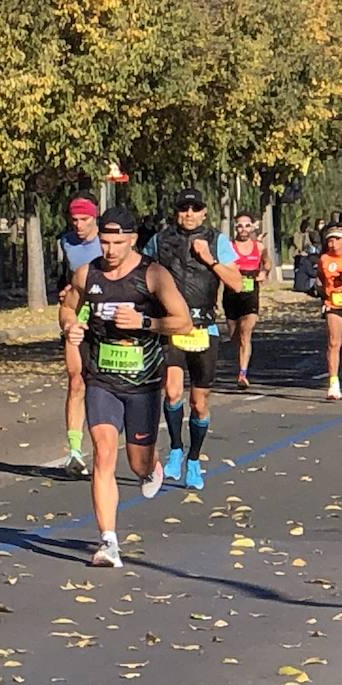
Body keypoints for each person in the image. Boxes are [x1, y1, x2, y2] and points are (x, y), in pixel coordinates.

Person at [61, 206, 192, 567]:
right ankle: (108, 542)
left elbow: (182, 322)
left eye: (118, 242)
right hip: (101, 377)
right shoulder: (87, 273)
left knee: (137, 464)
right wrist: (70, 327)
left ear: (133, 239)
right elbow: (68, 308)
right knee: (103, 452)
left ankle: (152, 466)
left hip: (144, 381)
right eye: (104, 241)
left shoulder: (153, 275)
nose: (110, 250)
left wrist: (144, 321)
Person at [141, 188, 241, 491]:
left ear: (204, 212)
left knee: (198, 403)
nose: (189, 213)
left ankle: (194, 460)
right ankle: (175, 449)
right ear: (176, 212)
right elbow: (141, 273)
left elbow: (236, 282)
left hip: (204, 327)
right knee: (171, 392)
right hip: (172, 326)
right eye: (183, 208)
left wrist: (209, 259)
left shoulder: (217, 240)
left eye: (194, 208)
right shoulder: (160, 240)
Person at [55, 193, 103, 478]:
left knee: (101, 386)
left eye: (84, 219)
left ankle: (104, 443)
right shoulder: (65, 242)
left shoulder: (107, 242)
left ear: (94, 218)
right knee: (76, 381)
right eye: (74, 220)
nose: (78, 225)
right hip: (77, 317)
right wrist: (64, 291)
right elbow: (66, 278)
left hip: (106, 318)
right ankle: (74, 451)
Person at [227, 212, 271, 389]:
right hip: (231, 294)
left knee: (246, 332)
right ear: (235, 228)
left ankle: (242, 374)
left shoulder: (259, 247)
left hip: (251, 292)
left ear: (252, 227)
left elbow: (267, 263)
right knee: (235, 336)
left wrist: (264, 273)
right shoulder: (229, 247)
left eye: (247, 225)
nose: (243, 229)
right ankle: (240, 362)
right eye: (239, 226)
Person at [315, 223, 342, 400]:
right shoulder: (324, 259)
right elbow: (319, 280)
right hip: (333, 303)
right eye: (330, 240)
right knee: (334, 342)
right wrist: (322, 293)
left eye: (337, 239)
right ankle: (333, 382)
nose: (333, 244)